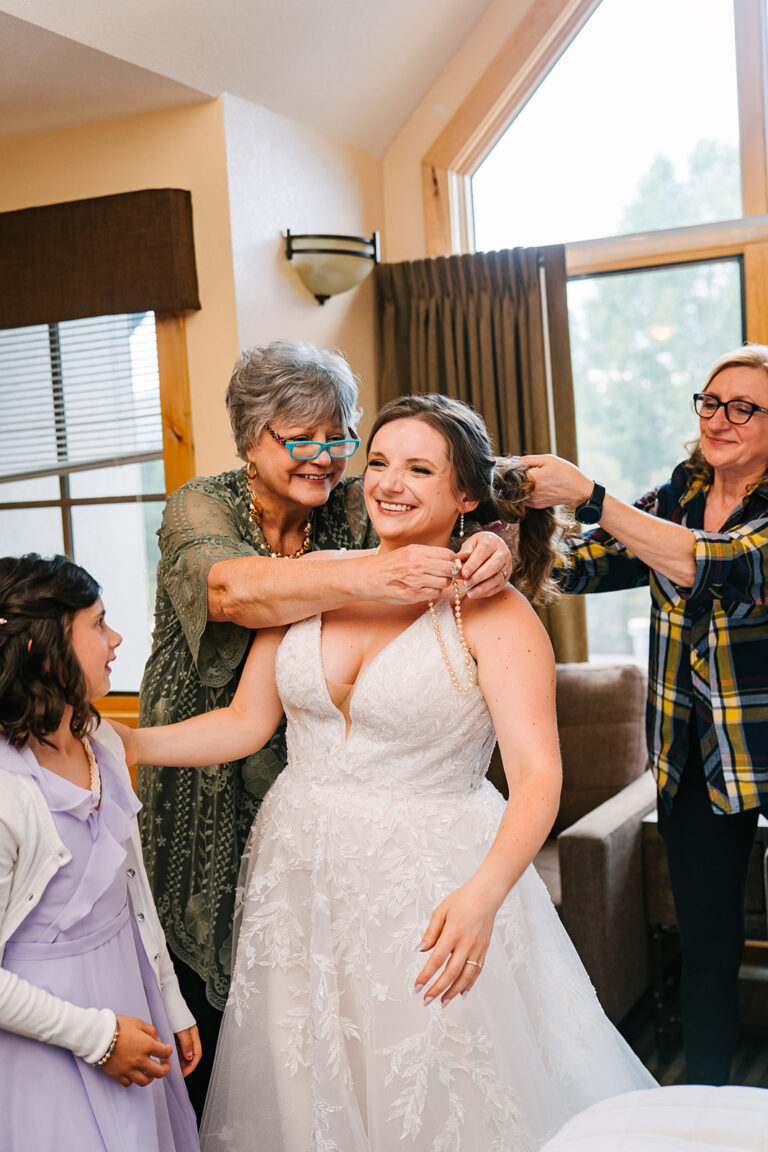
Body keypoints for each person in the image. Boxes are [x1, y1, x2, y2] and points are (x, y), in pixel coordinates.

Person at [119, 393, 655, 1151]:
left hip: (433, 882)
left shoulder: (494, 615)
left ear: (466, 495)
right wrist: (130, 745)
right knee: (309, 1079)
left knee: (437, 1082)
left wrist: (482, 895)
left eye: (419, 468)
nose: (388, 482)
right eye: (376, 462)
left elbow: (538, 779)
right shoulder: (313, 580)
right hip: (298, 874)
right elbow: (245, 724)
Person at [137, 339, 511, 1115]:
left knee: (355, 1015)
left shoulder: (353, 502)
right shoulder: (201, 506)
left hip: (316, 779)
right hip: (201, 770)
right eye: (298, 438)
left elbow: (457, 474)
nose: (325, 457)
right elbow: (236, 595)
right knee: (223, 1010)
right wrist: (371, 573)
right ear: (250, 438)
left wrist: (489, 543)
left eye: (338, 436)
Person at [518, 344, 768, 1086]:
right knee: (707, 945)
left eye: (743, 407)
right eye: (710, 401)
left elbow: (715, 565)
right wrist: (513, 542)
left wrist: (593, 494)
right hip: (695, 756)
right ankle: (708, 1107)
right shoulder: (679, 494)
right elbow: (591, 560)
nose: (719, 419)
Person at [0, 553, 200, 1152]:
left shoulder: (99, 739)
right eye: (98, 623)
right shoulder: (9, 796)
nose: (115, 639)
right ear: (43, 649)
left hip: (128, 989)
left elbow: (132, 890)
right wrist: (98, 1038)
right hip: (51, 1025)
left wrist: (170, 999)